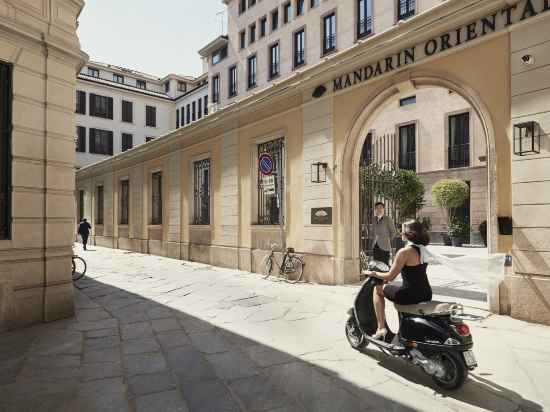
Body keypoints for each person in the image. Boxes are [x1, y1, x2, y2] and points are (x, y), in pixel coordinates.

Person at [365, 219, 432, 340]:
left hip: (410, 294)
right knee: (395, 286)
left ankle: (381, 329)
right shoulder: (423, 249)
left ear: (409, 234)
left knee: (378, 289)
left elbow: (390, 276)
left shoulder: (404, 252)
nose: (400, 234)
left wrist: (373, 273)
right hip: (426, 293)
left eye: (402, 231)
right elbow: (414, 273)